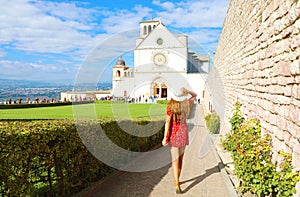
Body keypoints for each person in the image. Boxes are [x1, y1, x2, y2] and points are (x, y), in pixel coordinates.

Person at [162, 87, 197, 194]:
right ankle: (178, 180)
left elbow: (168, 122)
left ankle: (176, 183)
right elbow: (195, 95)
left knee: (174, 160)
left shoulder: (170, 105)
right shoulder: (186, 104)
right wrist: (188, 91)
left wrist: (165, 138)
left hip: (174, 134)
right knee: (181, 159)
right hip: (183, 133)